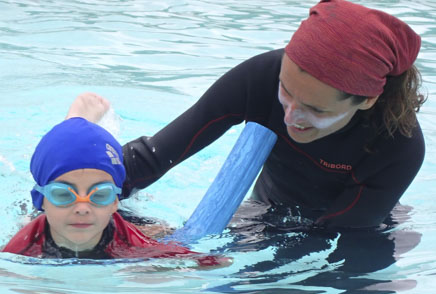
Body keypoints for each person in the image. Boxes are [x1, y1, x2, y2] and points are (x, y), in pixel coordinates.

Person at [121, 0, 426, 231]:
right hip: (265, 208)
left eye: (316, 109)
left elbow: (338, 237)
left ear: (367, 100)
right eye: (285, 91)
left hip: (357, 228)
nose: (291, 116)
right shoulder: (261, 76)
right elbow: (153, 156)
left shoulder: (399, 146)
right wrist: (89, 185)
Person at [2, 93, 224, 266]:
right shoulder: (27, 241)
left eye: (99, 194)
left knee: (162, 231)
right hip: (54, 216)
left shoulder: (128, 239)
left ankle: (78, 129)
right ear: (40, 199)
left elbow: (196, 261)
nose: (82, 208)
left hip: (113, 222)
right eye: (63, 194)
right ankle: (76, 125)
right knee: (25, 217)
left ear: (116, 200)